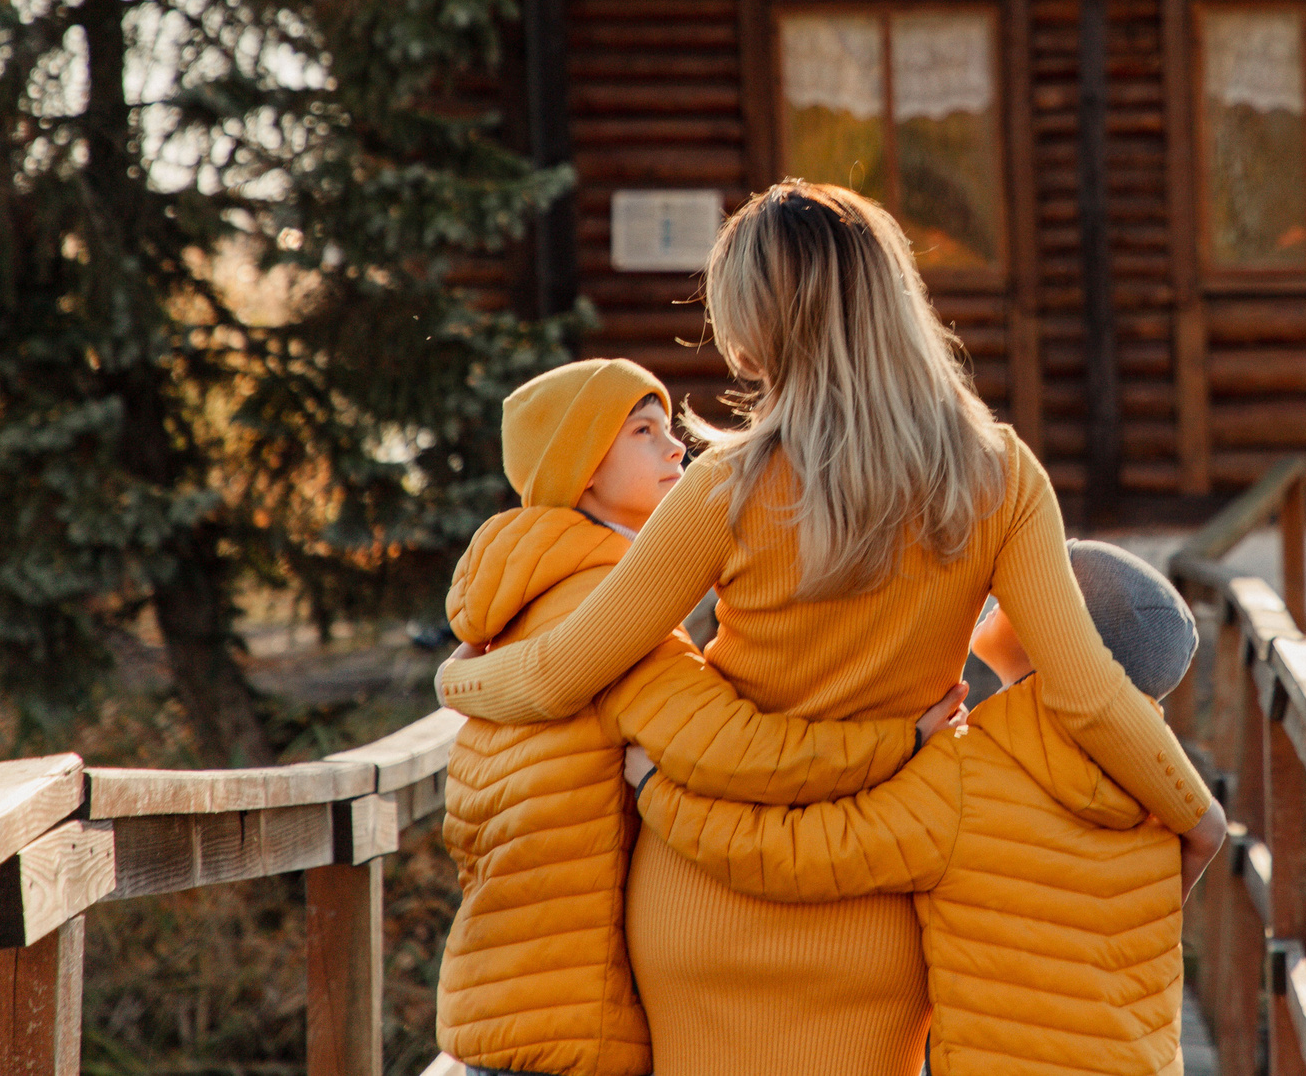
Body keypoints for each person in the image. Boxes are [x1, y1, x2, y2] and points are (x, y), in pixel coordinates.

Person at [438, 182, 1225, 1076]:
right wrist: (1194, 813)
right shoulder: (1000, 476)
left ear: (761, 324)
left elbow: (559, 676)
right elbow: (1085, 694)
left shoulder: (724, 486)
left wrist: (457, 679)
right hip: (875, 908)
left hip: (699, 900)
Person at [438, 357, 960, 1076]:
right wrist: (901, 740)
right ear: (583, 471)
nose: (675, 446)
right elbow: (734, 752)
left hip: (506, 998)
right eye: (643, 432)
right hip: (569, 1024)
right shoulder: (607, 611)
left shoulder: (528, 597)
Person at [620, 541, 1202, 1076]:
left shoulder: (965, 776)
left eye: (1033, 584)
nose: (1004, 587)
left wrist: (658, 793)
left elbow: (798, 854)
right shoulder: (1160, 802)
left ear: (1055, 635)